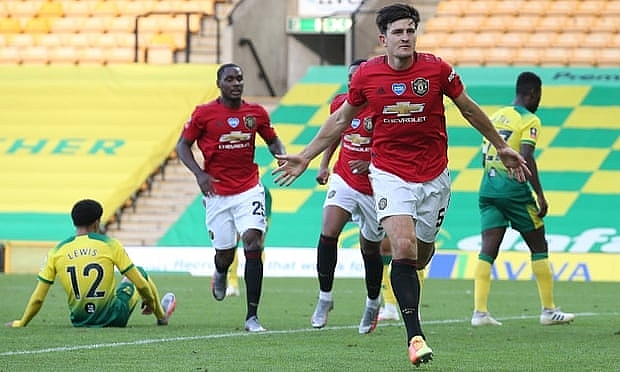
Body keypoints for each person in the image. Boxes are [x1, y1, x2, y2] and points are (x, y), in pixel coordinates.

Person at [272, 3, 530, 366]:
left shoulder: (437, 69)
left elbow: (469, 109)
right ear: (384, 39)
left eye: (410, 30)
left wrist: (502, 146)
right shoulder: (366, 78)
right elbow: (341, 119)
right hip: (389, 174)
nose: (405, 37)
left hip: (434, 176)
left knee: (420, 254)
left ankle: (409, 287)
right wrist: (308, 154)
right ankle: (415, 337)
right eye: (398, 32)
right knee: (402, 248)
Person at [176, 63, 286, 332]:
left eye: (240, 78)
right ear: (219, 84)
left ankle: (252, 316)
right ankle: (222, 271)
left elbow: (272, 139)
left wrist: (281, 157)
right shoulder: (204, 114)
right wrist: (199, 174)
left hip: (249, 188)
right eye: (230, 79)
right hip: (217, 193)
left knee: (252, 240)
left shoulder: (255, 113)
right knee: (224, 253)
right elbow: (182, 145)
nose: (236, 83)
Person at [471, 72, 575, 327]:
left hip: (488, 188)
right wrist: (539, 194)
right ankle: (549, 310)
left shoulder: (495, 117)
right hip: (514, 191)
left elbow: (485, 158)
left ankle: (480, 313)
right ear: (533, 93)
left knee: (487, 250)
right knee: (539, 245)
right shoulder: (530, 120)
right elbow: (526, 157)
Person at [5, 199, 176, 328]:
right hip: (114, 317)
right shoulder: (110, 244)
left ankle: (159, 312)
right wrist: (149, 300)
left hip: (80, 320)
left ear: (74, 222)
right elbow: (141, 284)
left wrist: (21, 323)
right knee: (139, 272)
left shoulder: (57, 251)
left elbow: (38, 298)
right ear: (97, 222)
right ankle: (162, 316)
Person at [311, 59, 385, 334]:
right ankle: (325, 298)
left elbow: (393, 146)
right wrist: (323, 165)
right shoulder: (340, 103)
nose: (355, 82)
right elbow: (334, 134)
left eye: (360, 77)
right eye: (351, 77)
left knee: (370, 249)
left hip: (376, 186)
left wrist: (372, 163)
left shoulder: (382, 107)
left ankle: (372, 301)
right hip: (344, 178)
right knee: (328, 233)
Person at [226, 187, 271, 297]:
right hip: (237, 214)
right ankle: (232, 283)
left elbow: (266, 212)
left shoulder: (263, 191)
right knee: (232, 245)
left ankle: (256, 282)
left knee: (257, 246)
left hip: (259, 216)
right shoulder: (234, 186)